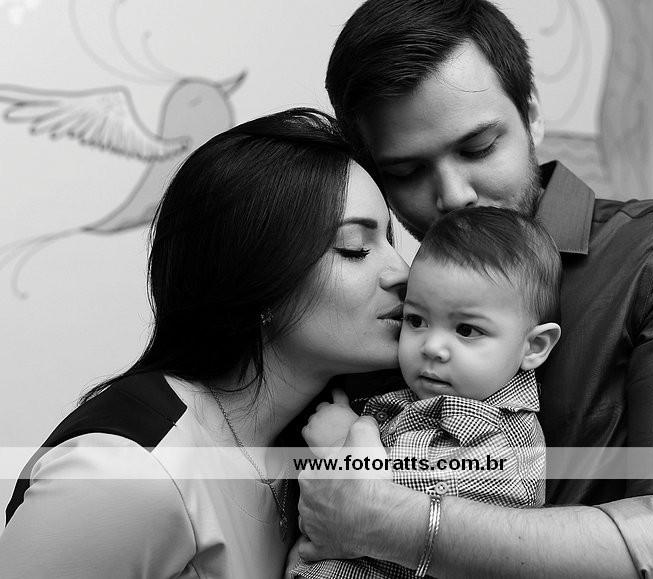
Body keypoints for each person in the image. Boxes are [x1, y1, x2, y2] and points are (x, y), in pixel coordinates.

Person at [295, 1, 653, 577]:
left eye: (478, 148)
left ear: (531, 115)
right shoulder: (385, 303)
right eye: (406, 173)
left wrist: (393, 522)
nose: (453, 195)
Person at [0, 108, 409, 579]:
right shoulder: (127, 476)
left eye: (390, 241)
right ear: (258, 278)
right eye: (356, 248)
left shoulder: (336, 446)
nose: (401, 272)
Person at [294, 206, 562, 578]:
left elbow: (422, 519)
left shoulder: (494, 433)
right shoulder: (430, 397)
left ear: (533, 346)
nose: (431, 347)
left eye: (466, 330)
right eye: (416, 320)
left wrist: (344, 443)